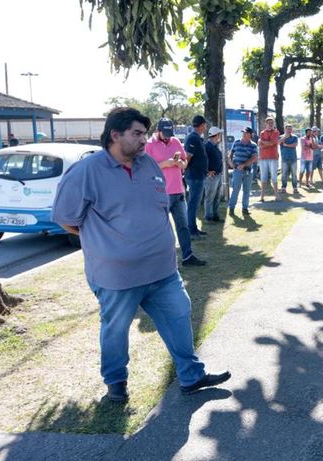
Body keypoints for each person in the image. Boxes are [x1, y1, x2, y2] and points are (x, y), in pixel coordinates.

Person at [51, 107, 230, 402]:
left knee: (179, 315)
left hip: (162, 270)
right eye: (137, 133)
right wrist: (106, 242)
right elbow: (66, 219)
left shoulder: (148, 164)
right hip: (117, 276)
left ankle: (191, 375)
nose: (143, 140)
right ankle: (116, 384)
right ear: (115, 135)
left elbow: (158, 207)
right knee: (116, 330)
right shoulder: (86, 171)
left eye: (144, 134)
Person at [144, 118, 206, 267]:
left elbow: (185, 162)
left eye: (170, 133)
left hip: (178, 191)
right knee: (162, 229)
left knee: (183, 226)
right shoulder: (149, 145)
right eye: (165, 133)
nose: (168, 136)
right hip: (160, 194)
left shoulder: (176, 142)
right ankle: (164, 261)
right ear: (158, 130)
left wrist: (181, 164)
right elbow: (145, 170)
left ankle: (187, 256)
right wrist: (164, 164)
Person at [184, 115, 208, 238]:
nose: (206, 127)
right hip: (194, 176)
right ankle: (191, 230)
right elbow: (188, 156)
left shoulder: (197, 137)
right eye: (205, 125)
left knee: (195, 203)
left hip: (198, 175)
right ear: (201, 125)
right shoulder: (193, 138)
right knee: (193, 203)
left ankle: (194, 228)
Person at [227, 127, 258, 217]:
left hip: (247, 171)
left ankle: (245, 209)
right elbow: (231, 154)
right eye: (243, 132)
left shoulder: (253, 145)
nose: (244, 134)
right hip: (237, 170)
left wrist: (244, 165)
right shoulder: (236, 142)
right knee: (235, 189)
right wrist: (230, 162)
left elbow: (254, 158)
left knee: (246, 191)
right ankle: (231, 208)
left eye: (246, 133)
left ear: (250, 135)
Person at [203, 126, 224, 223]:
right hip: (211, 176)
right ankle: (208, 217)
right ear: (216, 135)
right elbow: (201, 160)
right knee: (210, 197)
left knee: (216, 197)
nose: (220, 136)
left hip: (218, 175)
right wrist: (207, 171)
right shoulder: (207, 146)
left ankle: (215, 216)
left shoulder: (215, 146)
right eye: (219, 134)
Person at [257, 117, 281, 202]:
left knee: (274, 176)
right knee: (263, 177)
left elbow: (273, 143)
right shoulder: (262, 133)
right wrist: (267, 144)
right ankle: (262, 196)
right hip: (263, 158)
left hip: (273, 157)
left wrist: (263, 142)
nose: (270, 124)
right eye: (269, 123)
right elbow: (260, 145)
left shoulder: (276, 132)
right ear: (265, 124)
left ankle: (277, 195)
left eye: (272, 123)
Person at [280, 124, 299, 194]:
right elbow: (278, 142)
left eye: (290, 129)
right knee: (284, 174)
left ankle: (295, 188)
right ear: (285, 129)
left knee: (294, 174)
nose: (289, 130)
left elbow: (295, 144)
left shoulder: (295, 137)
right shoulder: (281, 137)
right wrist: (285, 137)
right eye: (287, 129)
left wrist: (286, 145)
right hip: (284, 159)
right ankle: (283, 188)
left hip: (293, 159)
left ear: (292, 130)